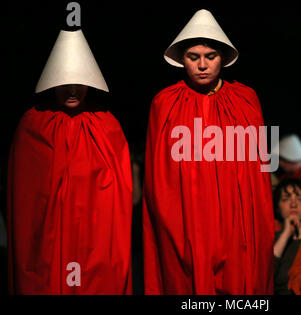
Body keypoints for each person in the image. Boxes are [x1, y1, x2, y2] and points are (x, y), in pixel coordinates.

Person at [142, 9, 274, 294]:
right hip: (186, 224)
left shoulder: (246, 100)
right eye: (193, 57)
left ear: (223, 58)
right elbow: (157, 180)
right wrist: (175, 231)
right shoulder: (164, 103)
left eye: (210, 56)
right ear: (182, 60)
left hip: (236, 224)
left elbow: (258, 173)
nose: (202, 65)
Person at [7, 29, 133, 294]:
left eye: (79, 82)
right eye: (65, 82)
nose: (73, 90)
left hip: (94, 243)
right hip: (47, 247)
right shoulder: (33, 125)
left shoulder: (107, 125)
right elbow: (24, 202)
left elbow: (119, 199)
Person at [273, 178, 301, 295]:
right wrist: (285, 235)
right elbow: (264, 276)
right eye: (286, 199)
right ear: (277, 206)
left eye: (299, 199)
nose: (293, 204)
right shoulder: (271, 240)